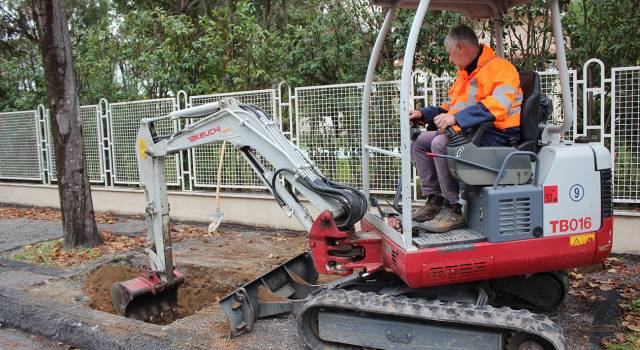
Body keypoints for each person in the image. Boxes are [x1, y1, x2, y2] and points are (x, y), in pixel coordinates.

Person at [410, 24, 523, 233]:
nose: (451, 60)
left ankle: (454, 209)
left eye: (450, 54)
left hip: (498, 135)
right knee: (420, 142)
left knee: (439, 143)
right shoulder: (466, 73)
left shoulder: (502, 69)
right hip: (472, 129)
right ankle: (435, 199)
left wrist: (456, 118)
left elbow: (498, 106)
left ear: (460, 47)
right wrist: (423, 114)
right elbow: (451, 107)